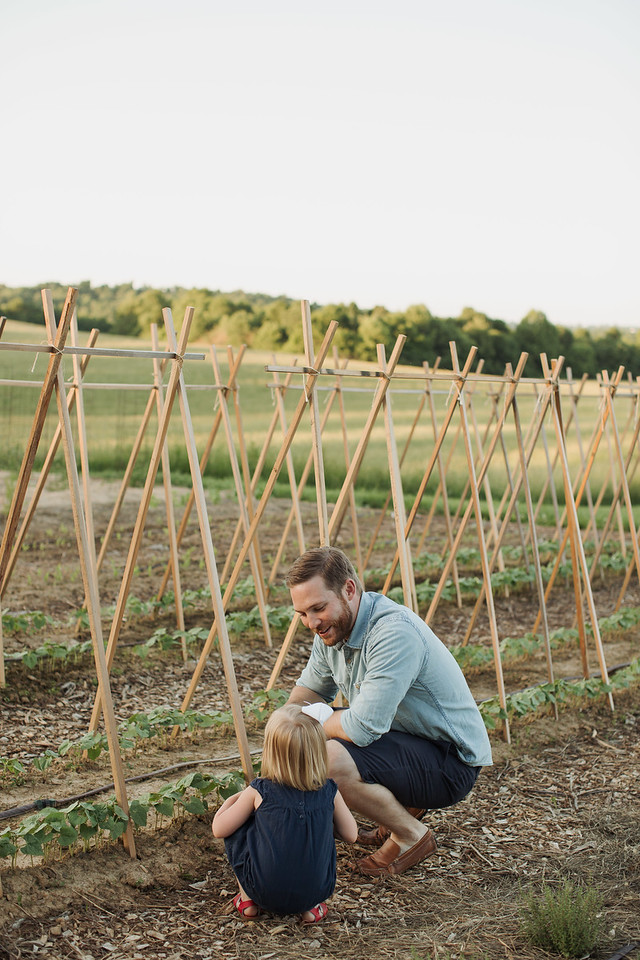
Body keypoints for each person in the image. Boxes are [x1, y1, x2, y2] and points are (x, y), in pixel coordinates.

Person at [285, 546, 493, 878]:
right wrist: (286, 722)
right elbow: (307, 694)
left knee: (329, 759)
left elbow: (364, 727)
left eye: (317, 608)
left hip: (451, 761)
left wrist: (312, 724)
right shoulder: (332, 631)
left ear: (349, 590)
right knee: (311, 730)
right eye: (302, 614)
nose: (311, 622)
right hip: (408, 739)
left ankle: (411, 836)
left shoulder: (392, 632)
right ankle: (402, 805)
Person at [212, 703, 357, 923]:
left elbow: (219, 829)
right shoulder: (329, 790)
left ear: (271, 751)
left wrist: (232, 800)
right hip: (316, 889)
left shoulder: (260, 790)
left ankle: (248, 900)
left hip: (263, 890)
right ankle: (311, 908)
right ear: (318, 751)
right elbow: (351, 835)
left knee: (239, 826)